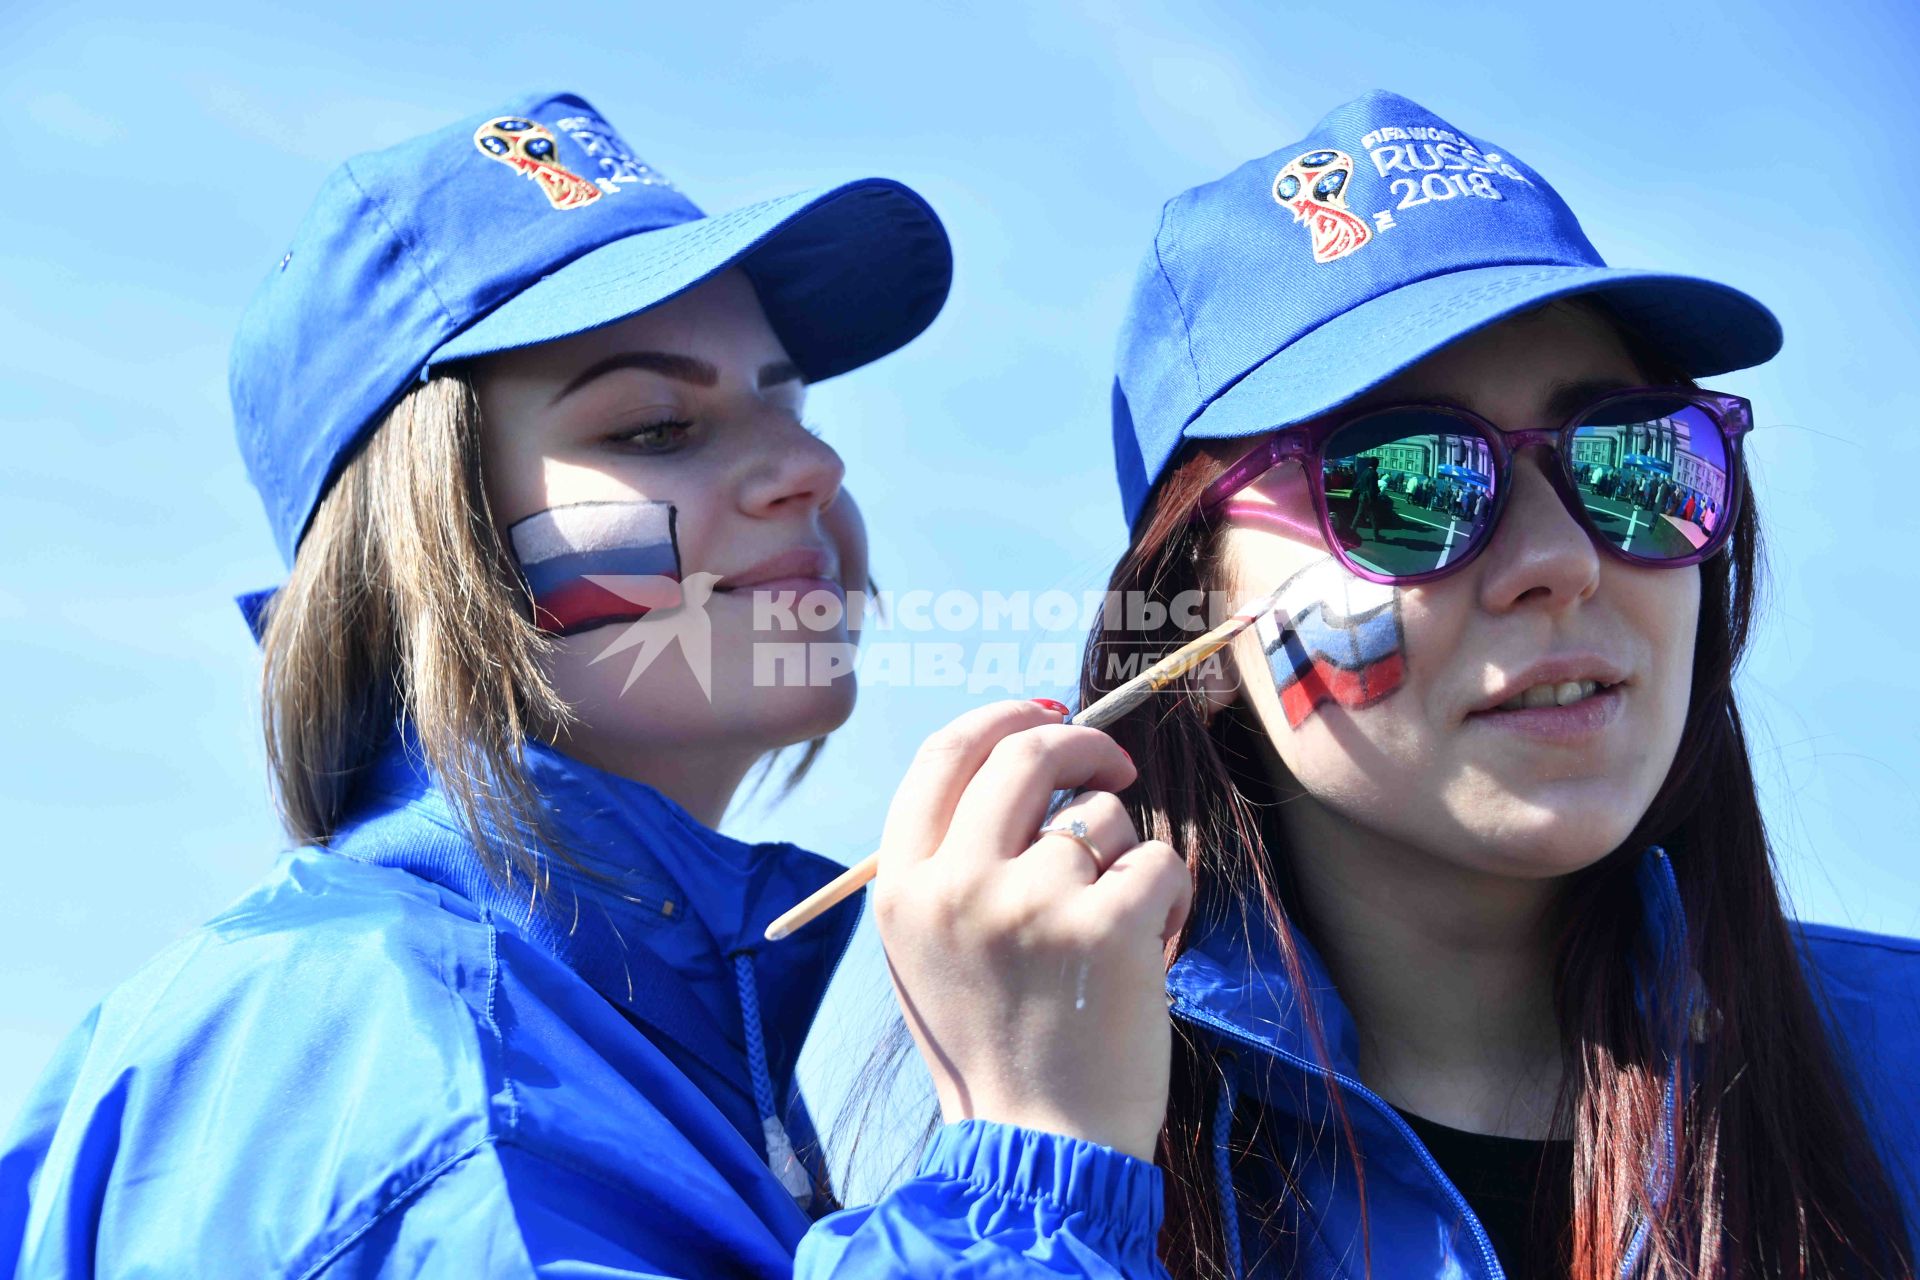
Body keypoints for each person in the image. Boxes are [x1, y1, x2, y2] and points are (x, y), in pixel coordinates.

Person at [0, 91, 1187, 1277]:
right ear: (424, 544)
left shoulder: (555, 1024)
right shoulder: (435, 1067)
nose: (814, 464)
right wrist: (1035, 1164)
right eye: (659, 426)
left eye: (786, 401)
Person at [1089, 91, 1920, 1277]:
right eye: (1404, 484)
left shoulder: (1899, 1072)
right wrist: (1034, 1164)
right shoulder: (1054, 1184)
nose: (1563, 559)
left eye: (1636, 458)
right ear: (1200, 628)